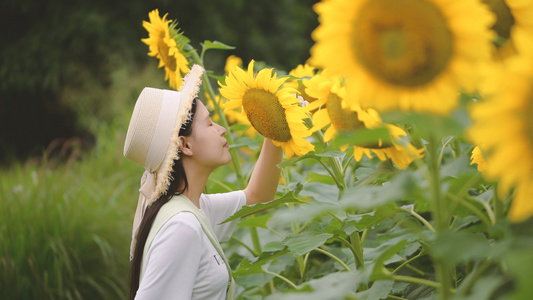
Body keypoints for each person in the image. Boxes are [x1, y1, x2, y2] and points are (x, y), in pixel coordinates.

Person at [123, 64, 283, 300]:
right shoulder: (182, 227)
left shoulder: (191, 209)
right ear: (185, 145)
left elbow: (257, 196)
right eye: (209, 124)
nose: (221, 130)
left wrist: (276, 126)